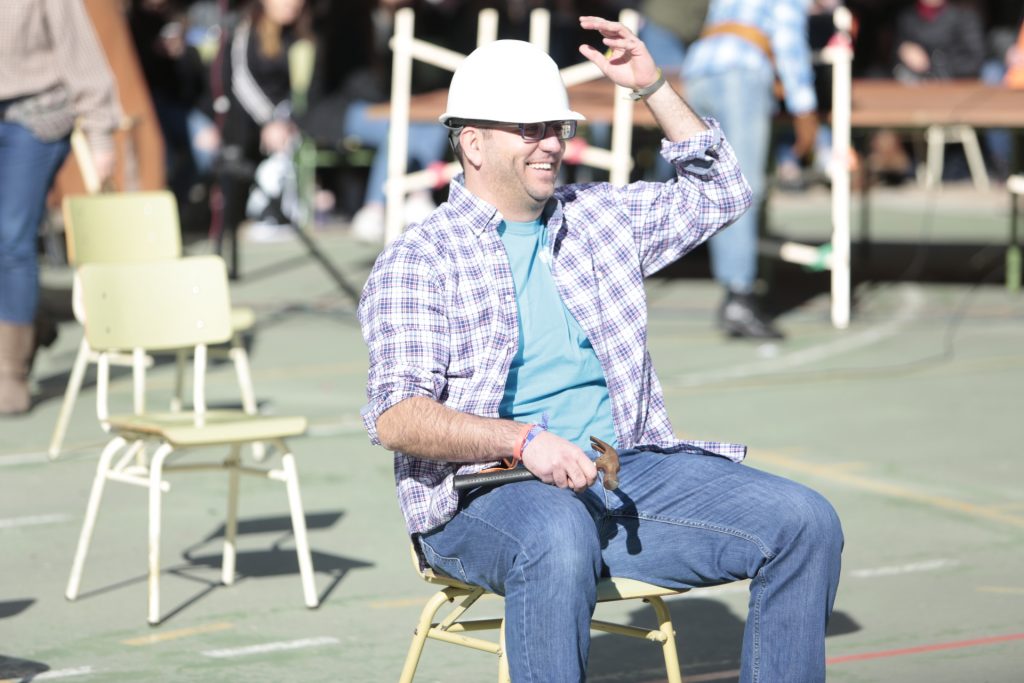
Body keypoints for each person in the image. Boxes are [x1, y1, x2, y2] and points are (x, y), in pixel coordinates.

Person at [358, 16, 843, 682]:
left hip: (621, 470)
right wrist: (524, 441)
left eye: (558, 128)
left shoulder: (598, 216)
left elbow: (724, 191)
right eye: (530, 129)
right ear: (472, 142)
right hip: (484, 495)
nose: (552, 145)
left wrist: (653, 88)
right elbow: (397, 417)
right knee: (557, 535)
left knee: (806, 522)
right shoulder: (419, 260)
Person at [0, 0, 121, 414]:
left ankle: (9, 371)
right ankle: (32, 322)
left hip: (34, 117)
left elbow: (81, 51)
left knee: (11, 236)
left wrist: (101, 133)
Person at [682, 0, 819, 339]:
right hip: (739, 74)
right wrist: (806, 112)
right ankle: (739, 296)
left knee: (713, 185)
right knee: (741, 190)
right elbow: (790, 47)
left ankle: (733, 289)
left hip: (697, 73)